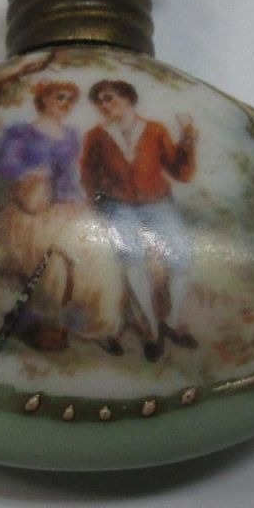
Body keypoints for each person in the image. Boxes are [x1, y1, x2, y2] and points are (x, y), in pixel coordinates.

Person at [0, 80, 125, 355]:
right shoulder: (21, 133)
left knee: (101, 256)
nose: (65, 104)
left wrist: (77, 201)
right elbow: (1, 165)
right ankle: (53, 326)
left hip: (65, 207)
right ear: (44, 99)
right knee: (59, 263)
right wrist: (29, 174)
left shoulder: (71, 134)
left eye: (70, 100)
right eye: (60, 97)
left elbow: (71, 176)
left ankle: (99, 326)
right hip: (29, 212)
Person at [81, 79, 198, 361]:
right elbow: (88, 175)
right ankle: (150, 332)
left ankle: (169, 324)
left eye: (109, 98)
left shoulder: (155, 130)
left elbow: (181, 173)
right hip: (117, 206)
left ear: (128, 99)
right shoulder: (96, 136)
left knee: (181, 257)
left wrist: (187, 139)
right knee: (132, 260)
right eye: (99, 101)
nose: (104, 105)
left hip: (157, 203)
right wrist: (99, 205)